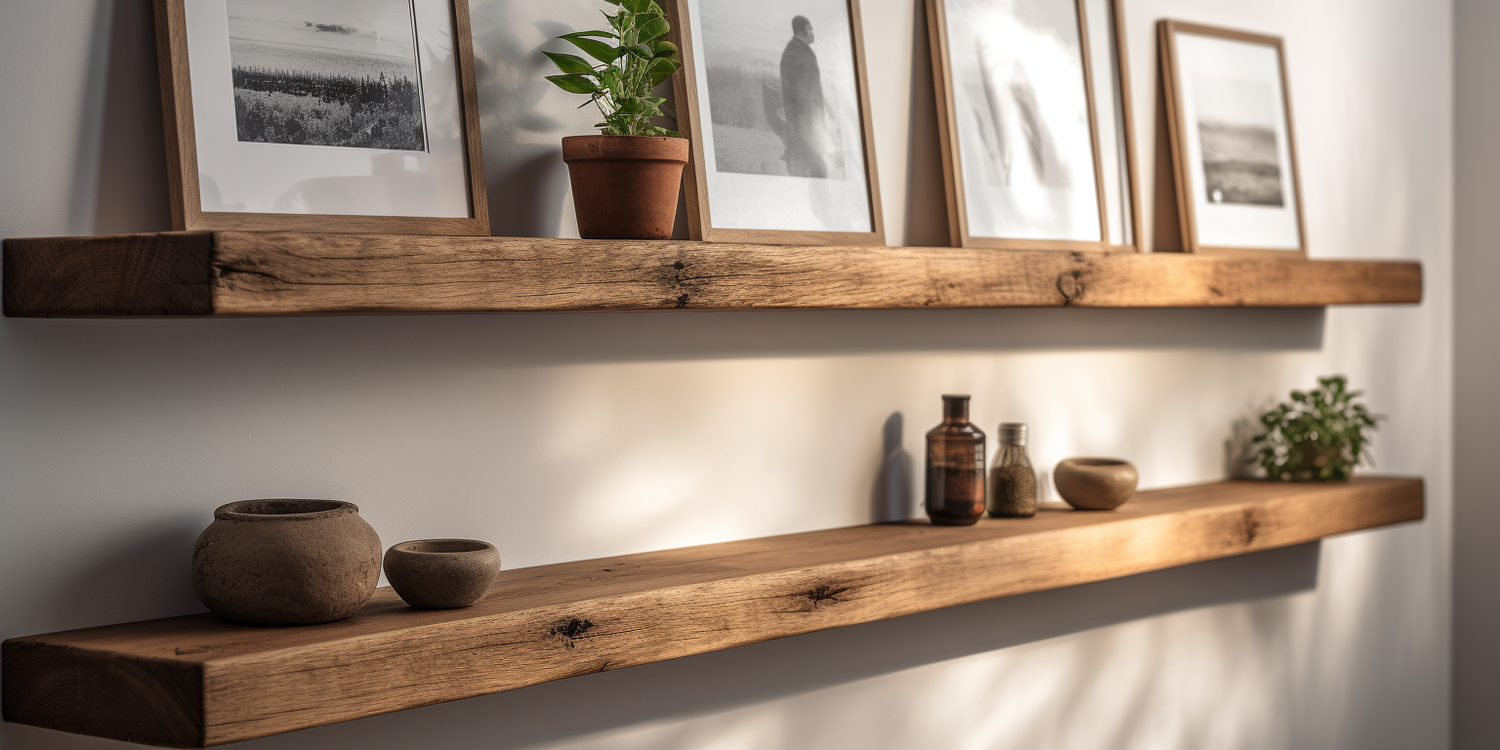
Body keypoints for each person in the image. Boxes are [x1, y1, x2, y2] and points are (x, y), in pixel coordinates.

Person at [779, 15, 828, 178]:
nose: (812, 33)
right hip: (805, 119)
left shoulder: (799, 50)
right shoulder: (797, 54)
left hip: (804, 118)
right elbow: (803, 92)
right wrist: (813, 122)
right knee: (814, 166)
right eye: (809, 29)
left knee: (811, 163)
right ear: (800, 32)